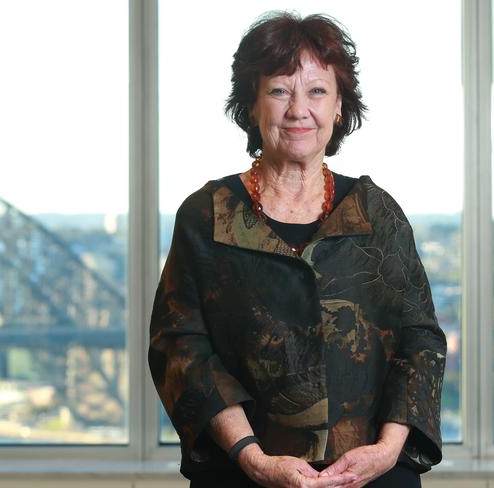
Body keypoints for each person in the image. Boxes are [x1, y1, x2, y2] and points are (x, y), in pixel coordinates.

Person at [148, 11, 446, 488]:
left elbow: (421, 341)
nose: (297, 109)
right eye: (279, 90)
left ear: (339, 106)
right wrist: (252, 458)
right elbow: (181, 347)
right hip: (243, 476)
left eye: (316, 91)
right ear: (251, 105)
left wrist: (388, 452)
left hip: (373, 476)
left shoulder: (376, 212)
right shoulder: (207, 214)